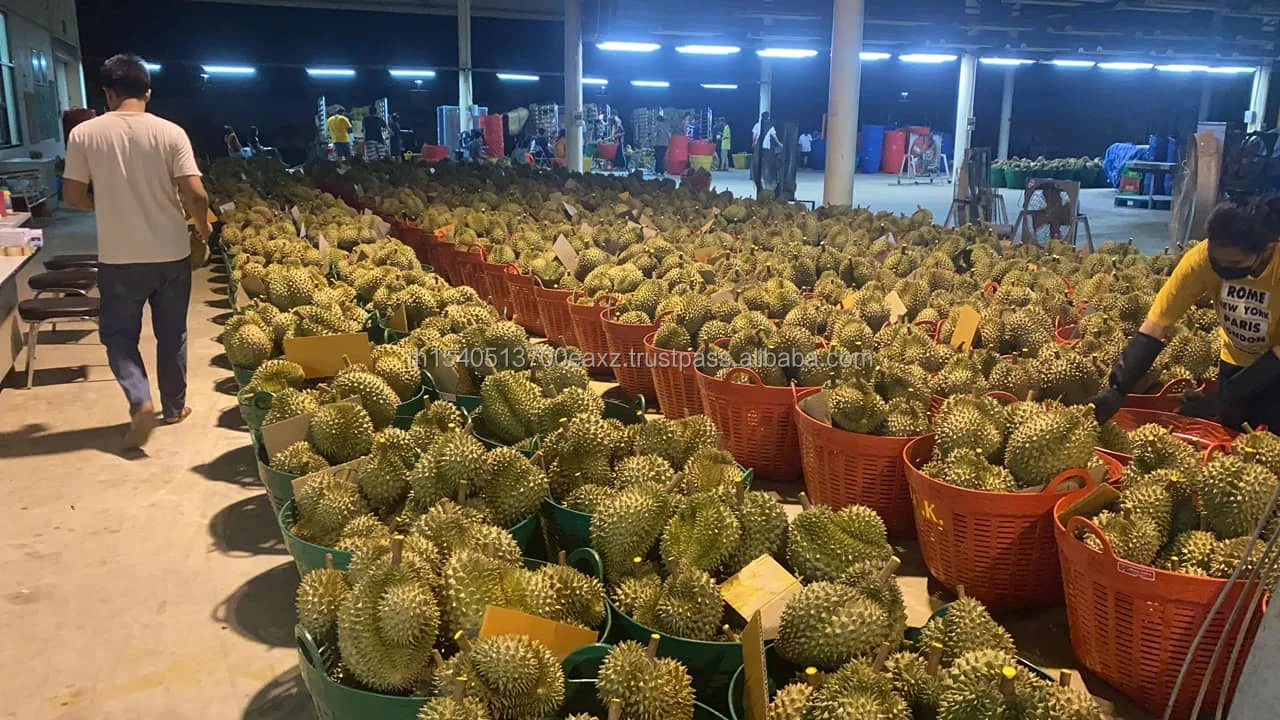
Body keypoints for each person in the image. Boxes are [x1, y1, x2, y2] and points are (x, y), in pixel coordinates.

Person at [62, 54, 208, 448]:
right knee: (172, 332)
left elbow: (72, 196)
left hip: (119, 257)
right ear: (147, 91)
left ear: (108, 92)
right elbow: (195, 193)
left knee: (119, 335)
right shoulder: (171, 132)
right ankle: (174, 407)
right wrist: (204, 228)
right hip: (170, 252)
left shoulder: (85, 135)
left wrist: (105, 203)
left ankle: (139, 399)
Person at [1090, 197, 1280, 431]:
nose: (1222, 267)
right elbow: (1157, 323)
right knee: (1234, 435)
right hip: (1235, 358)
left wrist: (1226, 395)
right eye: (1215, 260)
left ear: (1267, 250)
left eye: (1234, 263)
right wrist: (1118, 387)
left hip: (1275, 364)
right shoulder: (1200, 260)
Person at [653, 110, 668, 175]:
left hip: (659, 144)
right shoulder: (666, 127)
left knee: (658, 158)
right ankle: (659, 171)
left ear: (657, 120)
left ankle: (660, 171)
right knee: (661, 158)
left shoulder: (658, 125)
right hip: (665, 144)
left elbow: (654, 134)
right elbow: (669, 135)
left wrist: (649, 139)